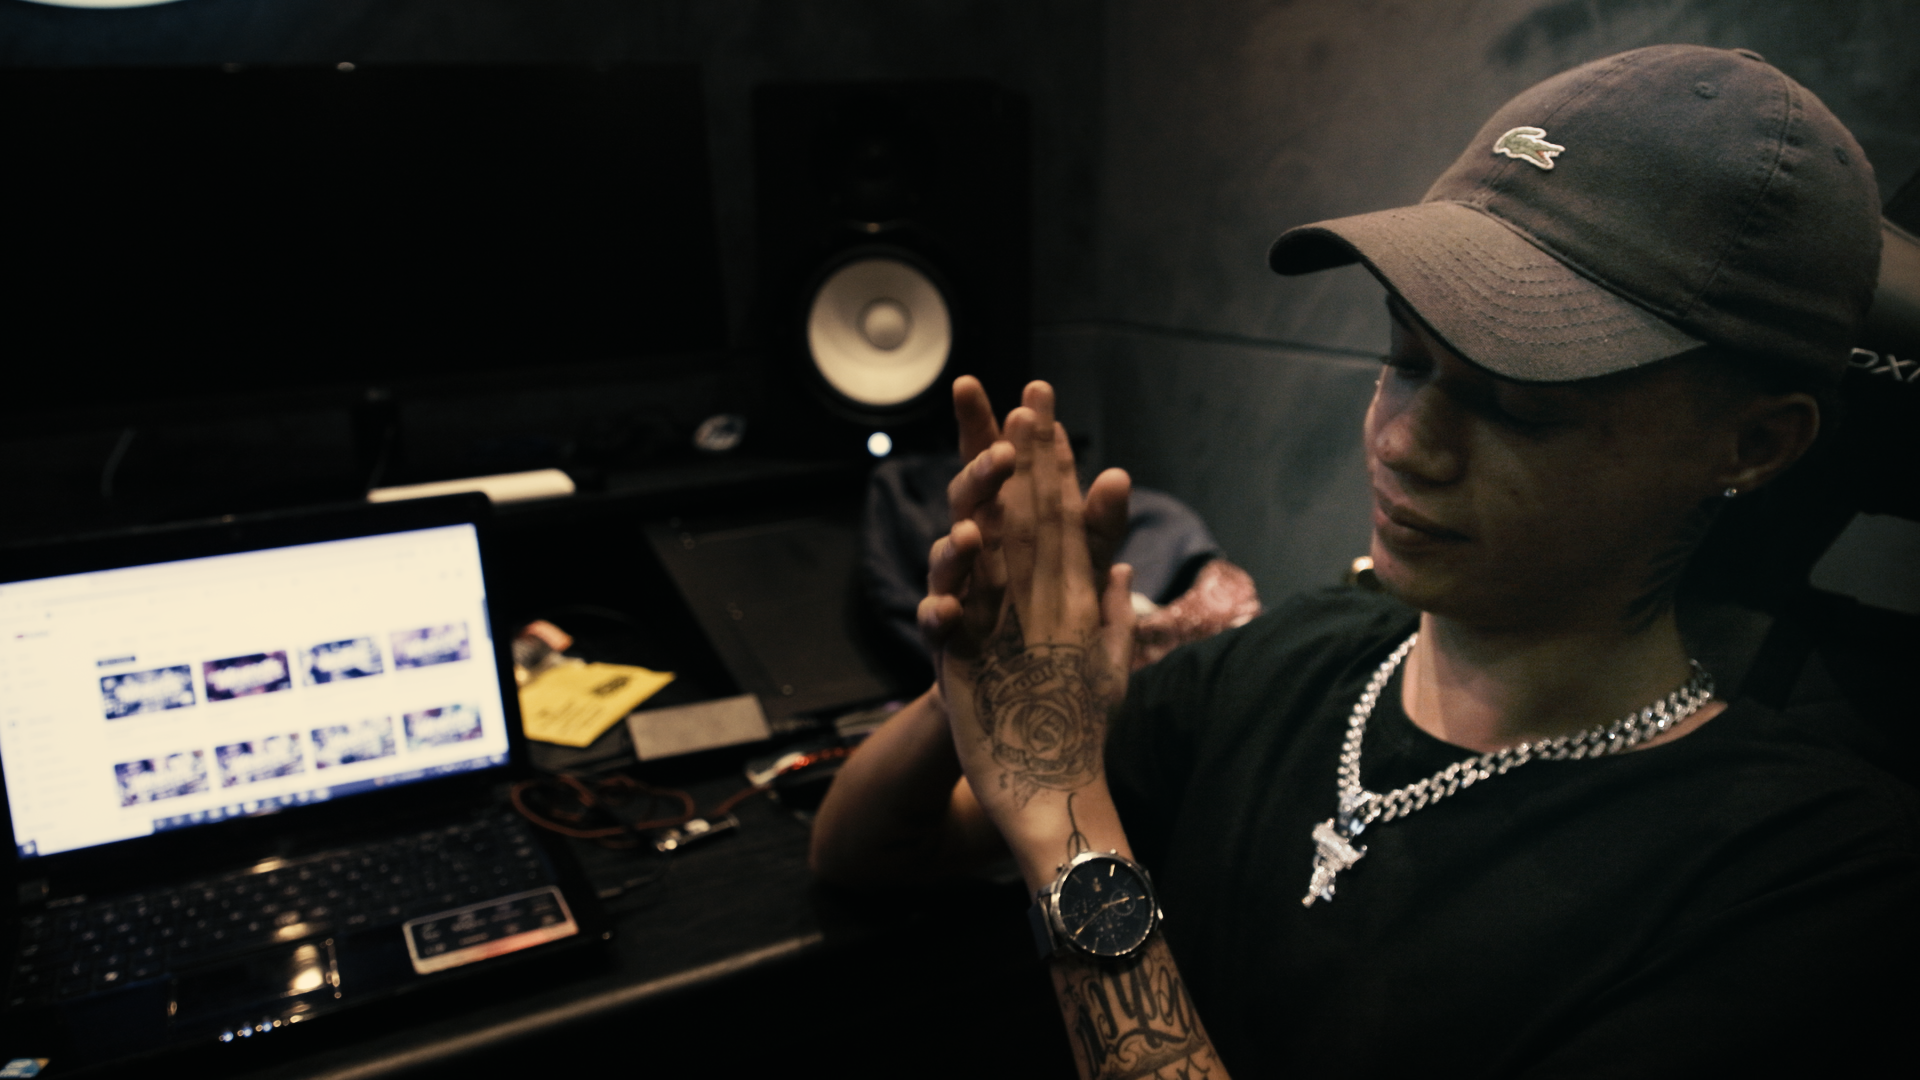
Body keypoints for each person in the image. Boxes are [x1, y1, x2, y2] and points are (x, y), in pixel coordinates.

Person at [810, 44, 1920, 1077]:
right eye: (1405, 357)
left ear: (1752, 445)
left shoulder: (1808, 882)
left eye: (1521, 407)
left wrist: (1067, 828)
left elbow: (1050, 812)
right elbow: (871, 852)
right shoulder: (1286, 665)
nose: (1405, 444)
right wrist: (989, 677)